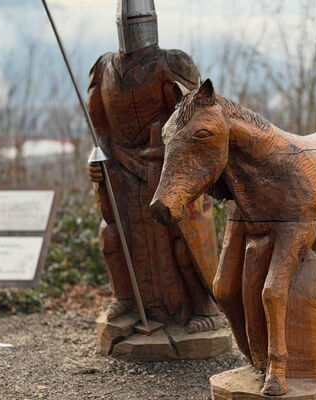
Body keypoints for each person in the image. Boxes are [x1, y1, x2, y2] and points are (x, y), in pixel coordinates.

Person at [87, 0, 221, 333]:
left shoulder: (170, 64)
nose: (130, 20)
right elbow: (100, 125)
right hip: (121, 170)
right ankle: (128, 300)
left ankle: (202, 308)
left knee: (182, 243)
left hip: (168, 172)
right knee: (113, 235)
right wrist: (98, 157)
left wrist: (165, 154)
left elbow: (194, 120)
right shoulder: (104, 68)